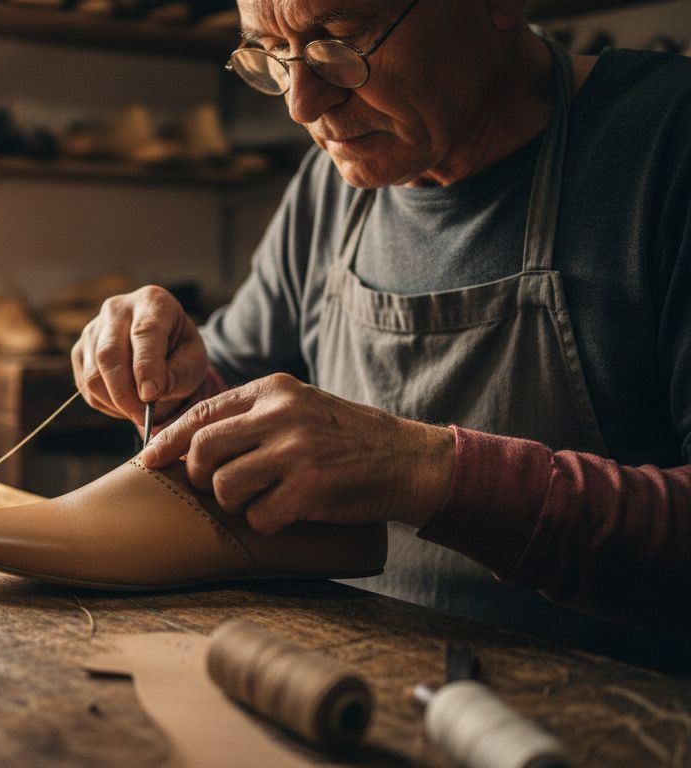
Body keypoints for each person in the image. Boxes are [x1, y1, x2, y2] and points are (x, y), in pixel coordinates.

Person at [71, 0, 691, 671]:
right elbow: (223, 387)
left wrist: (420, 469)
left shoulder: (668, 145)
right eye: (273, 53)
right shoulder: (330, 188)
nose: (302, 105)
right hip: (358, 689)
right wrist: (170, 372)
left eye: (341, 39)